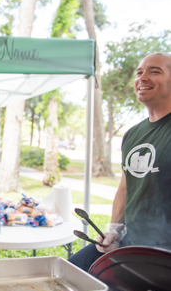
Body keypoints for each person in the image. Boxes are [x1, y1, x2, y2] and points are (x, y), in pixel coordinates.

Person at [69, 52, 171, 272]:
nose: (142, 78)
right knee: (70, 272)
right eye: (139, 73)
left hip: (163, 252)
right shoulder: (133, 134)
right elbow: (126, 187)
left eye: (155, 71)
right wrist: (114, 228)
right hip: (129, 241)